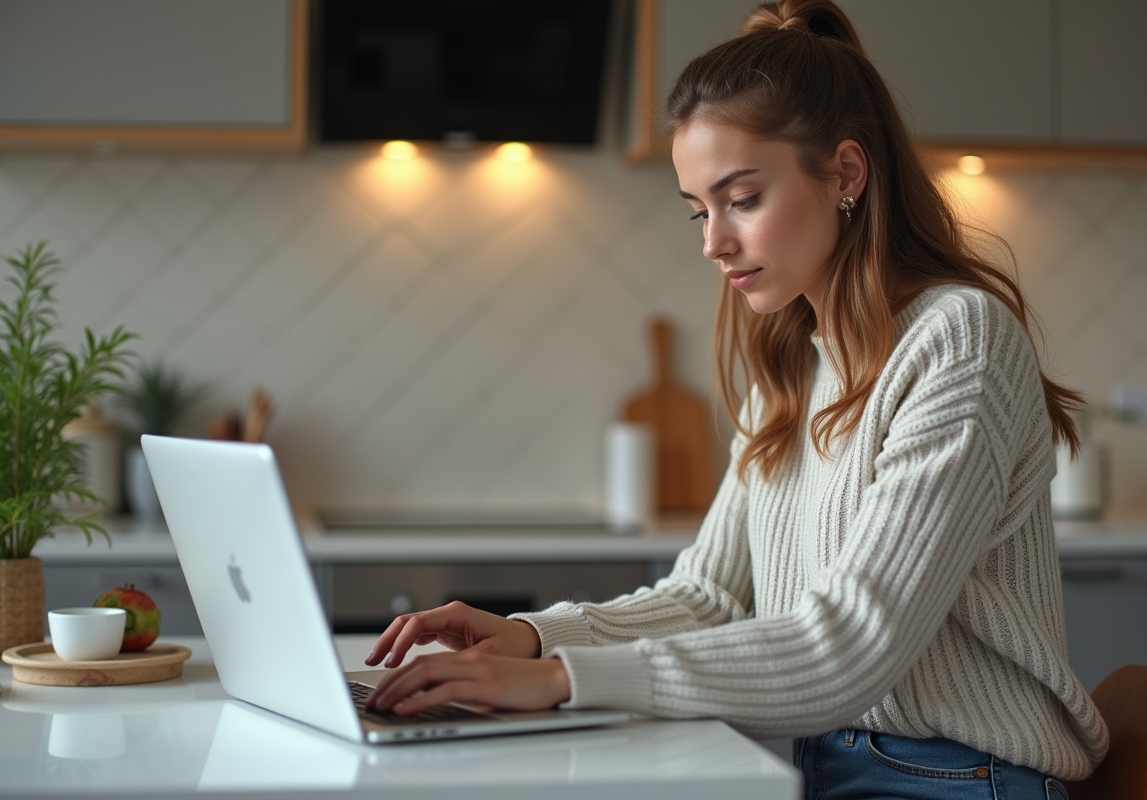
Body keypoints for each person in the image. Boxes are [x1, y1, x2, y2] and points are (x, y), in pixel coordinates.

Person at [363, 2, 1109, 796]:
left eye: (742, 199)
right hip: (822, 762)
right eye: (699, 209)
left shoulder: (959, 338)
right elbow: (712, 597)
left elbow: (854, 645)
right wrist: (533, 637)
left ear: (847, 174)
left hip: (957, 776)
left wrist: (564, 679)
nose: (713, 242)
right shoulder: (791, 368)